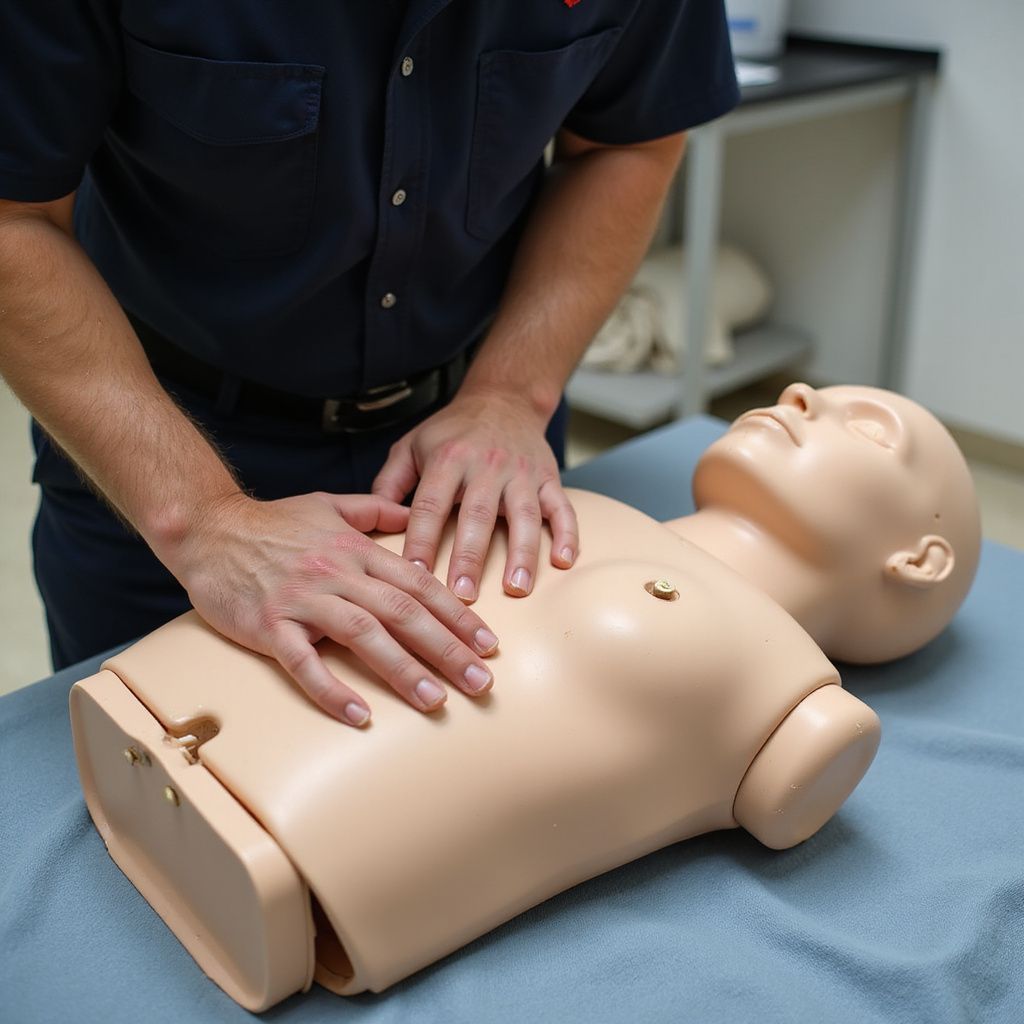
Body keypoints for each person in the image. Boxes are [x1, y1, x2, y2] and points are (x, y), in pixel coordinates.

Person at [71, 382, 981, 1004]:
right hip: (156, 700)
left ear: (919, 561)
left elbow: (792, 790)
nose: (798, 396)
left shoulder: (799, 693)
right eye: (814, 394)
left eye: (865, 428)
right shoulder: (591, 504)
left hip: (286, 863)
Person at [0, 2, 740, 725]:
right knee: (164, 803)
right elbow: (12, 219)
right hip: (160, 443)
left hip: (473, 444)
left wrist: (513, 392)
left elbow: (627, 140)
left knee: (500, 757)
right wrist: (200, 519)